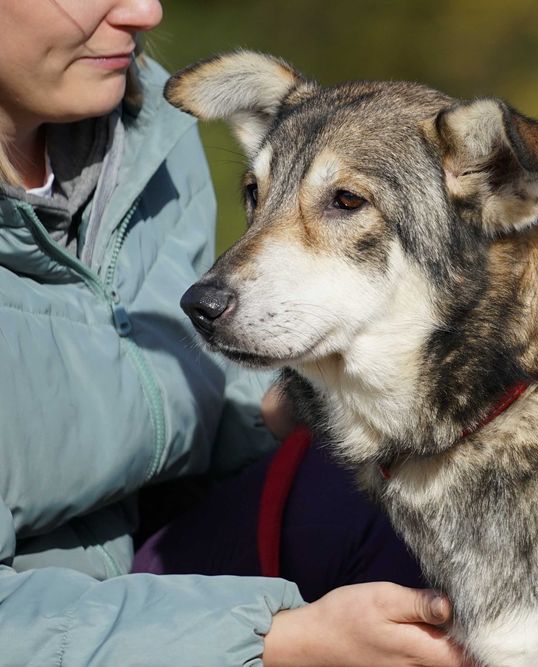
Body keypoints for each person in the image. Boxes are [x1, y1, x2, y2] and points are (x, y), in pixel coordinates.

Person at [0, 1, 465, 665]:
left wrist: (278, 408)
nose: (143, 10)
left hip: (163, 549)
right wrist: (281, 640)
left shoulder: (150, 138)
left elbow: (148, 396)